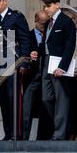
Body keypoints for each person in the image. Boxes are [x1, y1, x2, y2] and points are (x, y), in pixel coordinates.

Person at [0, 0, 32, 140]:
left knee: (14, 99)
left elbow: (25, 40)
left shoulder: (16, 17)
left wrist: (24, 63)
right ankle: (8, 133)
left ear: (6, 1)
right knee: (3, 100)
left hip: (14, 62)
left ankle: (17, 134)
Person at [40, 0, 76, 141]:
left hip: (59, 65)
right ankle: (63, 126)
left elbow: (70, 46)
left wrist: (63, 67)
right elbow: (46, 43)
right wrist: (36, 52)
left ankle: (59, 133)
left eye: (48, 6)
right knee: (46, 98)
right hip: (47, 62)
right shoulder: (49, 22)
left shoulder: (66, 21)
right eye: (45, 6)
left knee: (61, 99)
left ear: (57, 5)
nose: (46, 9)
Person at [22, 10, 52, 140]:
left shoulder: (50, 36)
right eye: (41, 24)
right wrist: (29, 55)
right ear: (35, 21)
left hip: (47, 77)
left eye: (46, 24)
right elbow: (22, 52)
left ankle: (43, 138)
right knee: (26, 109)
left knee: (46, 107)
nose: (44, 27)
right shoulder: (27, 36)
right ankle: (24, 138)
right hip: (32, 77)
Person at [61, 5, 77, 140]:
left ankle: (76, 131)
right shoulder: (65, 32)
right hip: (64, 73)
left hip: (76, 74)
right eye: (75, 19)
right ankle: (67, 131)